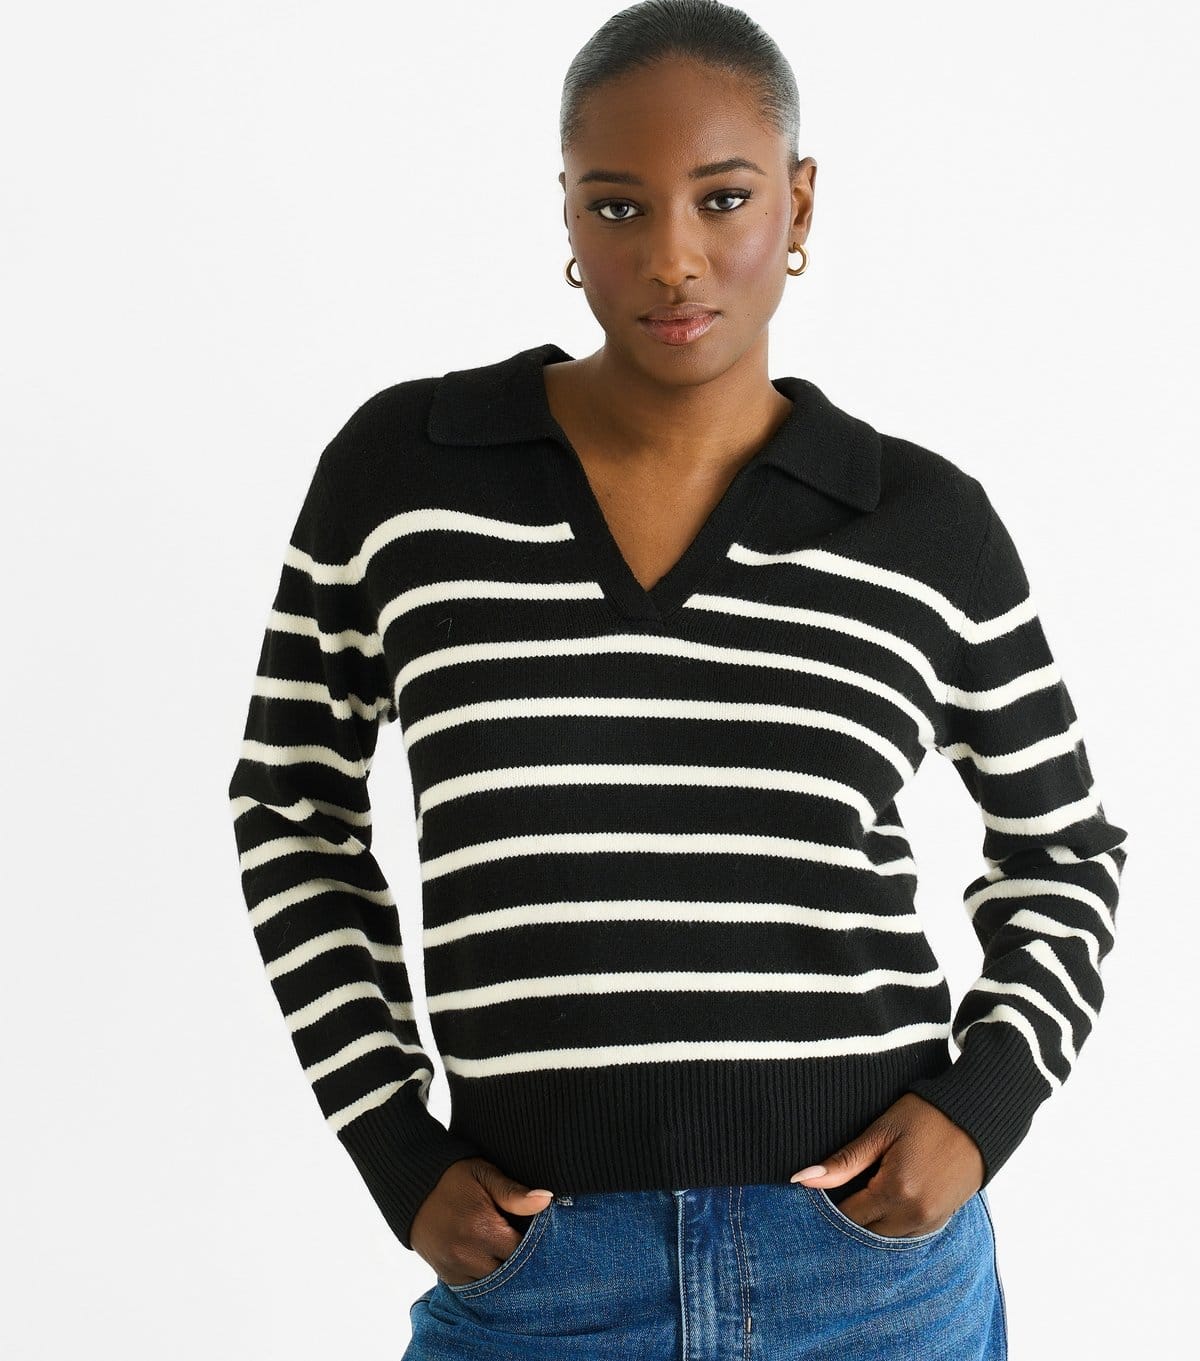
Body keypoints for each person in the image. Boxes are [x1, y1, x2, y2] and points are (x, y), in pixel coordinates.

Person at [226, 2, 1128, 1356]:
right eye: (618, 207)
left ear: (799, 203)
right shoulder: (408, 476)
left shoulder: (918, 521)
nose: (672, 258)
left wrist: (981, 1108)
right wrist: (392, 1145)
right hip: (538, 1271)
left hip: (866, 1276)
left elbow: (1064, 851)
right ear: (566, 214)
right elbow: (292, 814)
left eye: (723, 198)